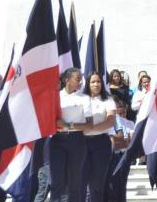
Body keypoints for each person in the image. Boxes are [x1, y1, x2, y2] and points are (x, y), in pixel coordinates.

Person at [52, 68, 98, 202]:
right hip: (56, 141)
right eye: (77, 79)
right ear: (67, 80)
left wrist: (68, 125)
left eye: (81, 79)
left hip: (77, 141)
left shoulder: (84, 98)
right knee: (56, 180)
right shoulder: (56, 96)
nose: (81, 82)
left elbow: (89, 125)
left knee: (75, 182)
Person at [82, 71, 116, 201]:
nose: (96, 84)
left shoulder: (108, 100)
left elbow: (110, 121)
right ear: (87, 84)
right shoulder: (80, 99)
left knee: (97, 184)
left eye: (98, 81)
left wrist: (90, 127)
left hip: (101, 143)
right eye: (93, 82)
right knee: (80, 182)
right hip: (82, 144)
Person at [108, 98, 134, 202]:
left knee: (121, 185)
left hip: (121, 155)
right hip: (109, 155)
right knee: (111, 186)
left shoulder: (122, 121)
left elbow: (125, 140)